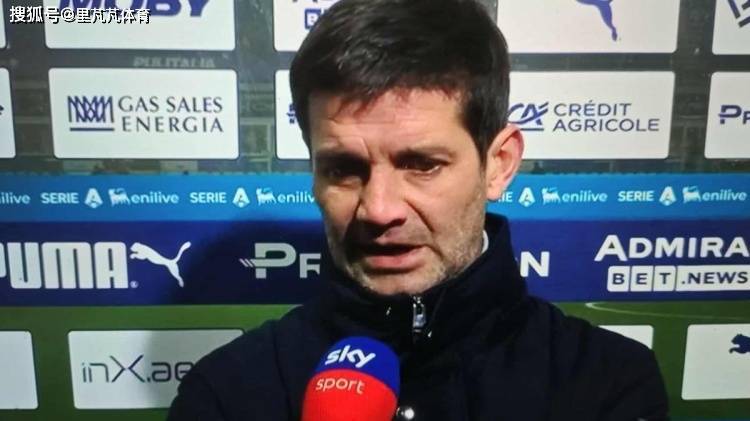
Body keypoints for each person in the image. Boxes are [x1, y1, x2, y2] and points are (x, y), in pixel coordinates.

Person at [167, 0, 669, 419]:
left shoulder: (608, 385)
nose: (378, 209)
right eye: (344, 169)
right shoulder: (226, 394)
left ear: (498, 165)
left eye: (421, 164)